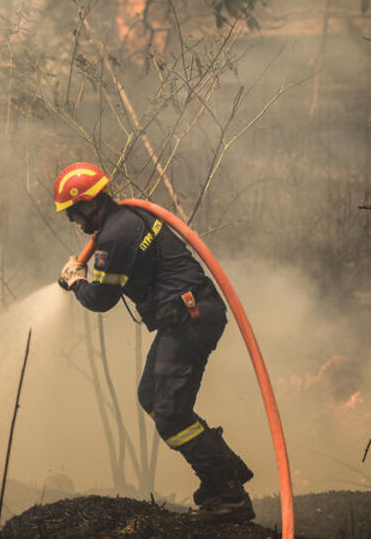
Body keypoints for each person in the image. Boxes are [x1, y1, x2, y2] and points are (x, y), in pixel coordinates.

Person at [53, 162, 255, 522]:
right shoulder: (128, 218)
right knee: (151, 397)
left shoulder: (114, 237)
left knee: (170, 415)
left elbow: (100, 300)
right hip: (188, 316)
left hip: (190, 319)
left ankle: (229, 494)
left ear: (87, 204)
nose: (73, 221)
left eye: (72, 213)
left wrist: (76, 281)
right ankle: (225, 470)